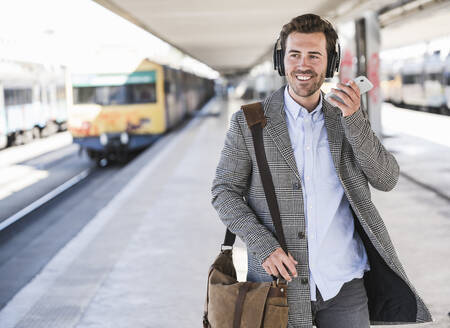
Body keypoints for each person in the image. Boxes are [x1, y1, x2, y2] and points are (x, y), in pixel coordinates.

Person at [211, 13, 432, 328]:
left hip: (345, 283)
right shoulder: (250, 122)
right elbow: (224, 192)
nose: (303, 64)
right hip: (277, 285)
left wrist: (354, 120)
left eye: (314, 55)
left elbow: (386, 178)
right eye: (294, 55)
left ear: (330, 63)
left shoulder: (346, 118)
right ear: (281, 60)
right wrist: (263, 244)